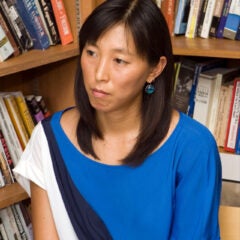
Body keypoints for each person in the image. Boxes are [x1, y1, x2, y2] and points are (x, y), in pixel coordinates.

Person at [13, 0, 222, 239]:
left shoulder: (193, 148)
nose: (99, 74)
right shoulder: (49, 140)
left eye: (119, 61)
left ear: (155, 69)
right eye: (91, 53)